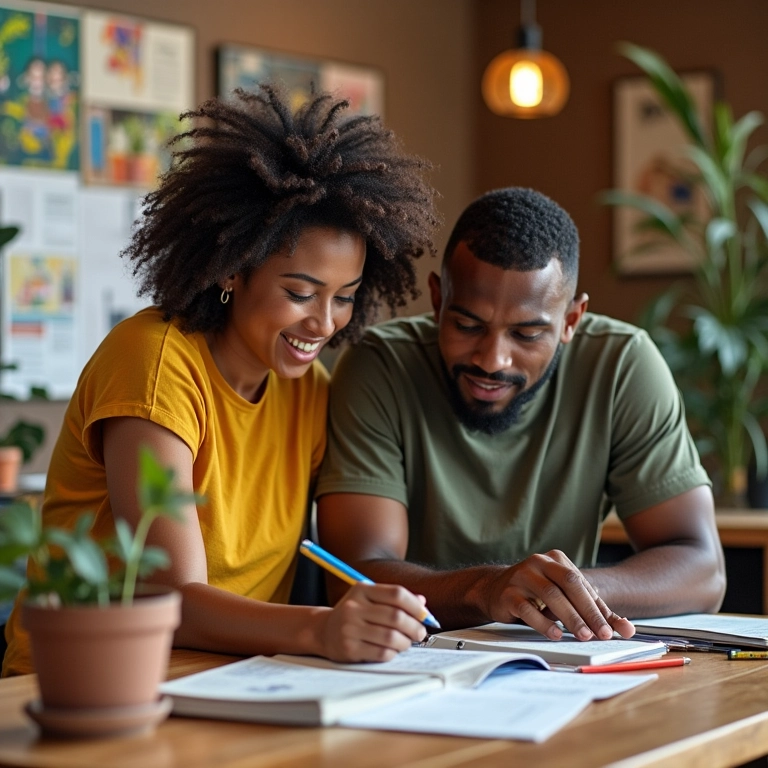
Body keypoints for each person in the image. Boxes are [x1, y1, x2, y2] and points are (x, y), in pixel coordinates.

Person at [2, 85, 440, 676]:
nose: (324, 322)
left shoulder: (306, 389)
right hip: (89, 681)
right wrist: (322, 626)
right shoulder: (155, 360)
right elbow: (169, 599)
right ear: (234, 268)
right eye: (300, 293)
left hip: (234, 680)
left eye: (345, 298)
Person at [316, 186, 726, 642]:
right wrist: (486, 589)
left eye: (527, 334)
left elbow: (702, 569)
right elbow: (352, 577)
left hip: (565, 663)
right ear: (437, 298)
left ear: (572, 321)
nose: (493, 360)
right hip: (413, 659)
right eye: (468, 325)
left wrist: (562, 591)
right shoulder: (381, 367)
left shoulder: (622, 366)